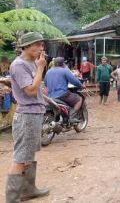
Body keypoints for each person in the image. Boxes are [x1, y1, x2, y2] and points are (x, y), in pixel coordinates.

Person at [6, 32, 49, 202]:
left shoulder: (32, 63)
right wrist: (40, 68)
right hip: (26, 115)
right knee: (20, 157)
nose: (40, 48)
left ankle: (28, 190)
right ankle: (12, 198)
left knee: (28, 154)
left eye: (41, 45)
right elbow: (30, 91)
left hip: (34, 113)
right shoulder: (19, 65)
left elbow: (36, 89)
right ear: (25, 47)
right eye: (36, 45)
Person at [44, 57, 84, 123]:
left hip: (50, 96)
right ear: (63, 64)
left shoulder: (48, 71)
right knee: (79, 99)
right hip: (62, 95)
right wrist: (81, 85)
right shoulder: (65, 70)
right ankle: (72, 117)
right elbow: (74, 81)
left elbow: (46, 83)